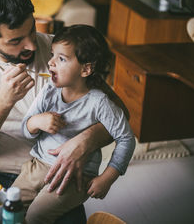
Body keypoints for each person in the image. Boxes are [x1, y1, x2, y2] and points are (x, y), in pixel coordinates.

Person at [0, 0, 128, 222]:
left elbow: (121, 115)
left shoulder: (61, 52)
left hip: (58, 172)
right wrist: (3, 100)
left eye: (31, 30)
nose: (31, 45)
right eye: (15, 40)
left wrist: (86, 140)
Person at [11, 25, 136, 223]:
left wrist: (107, 178)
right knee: (9, 206)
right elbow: (26, 129)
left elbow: (126, 139)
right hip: (37, 166)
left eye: (61, 59)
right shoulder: (48, 91)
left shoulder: (99, 102)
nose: (50, 63)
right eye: (52, 55)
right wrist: (36, 122)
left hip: (74, 177)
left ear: (86, 69)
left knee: (36, 216)